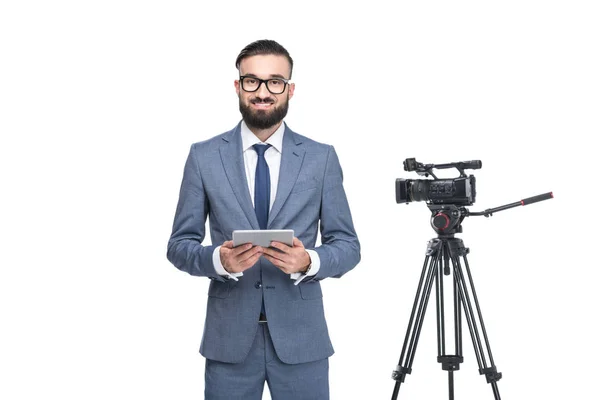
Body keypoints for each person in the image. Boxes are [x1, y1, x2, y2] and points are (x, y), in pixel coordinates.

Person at [167, 39, 360, 400]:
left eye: (275, 82)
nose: (263, 92)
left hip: (303, 340)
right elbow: (179, 246)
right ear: (238, 86)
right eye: (252, 81)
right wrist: (217, 260)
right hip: (229, 342)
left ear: (289, 89)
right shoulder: (203, 157)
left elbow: (348, 246)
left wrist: (310, 260)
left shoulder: (321, 158)